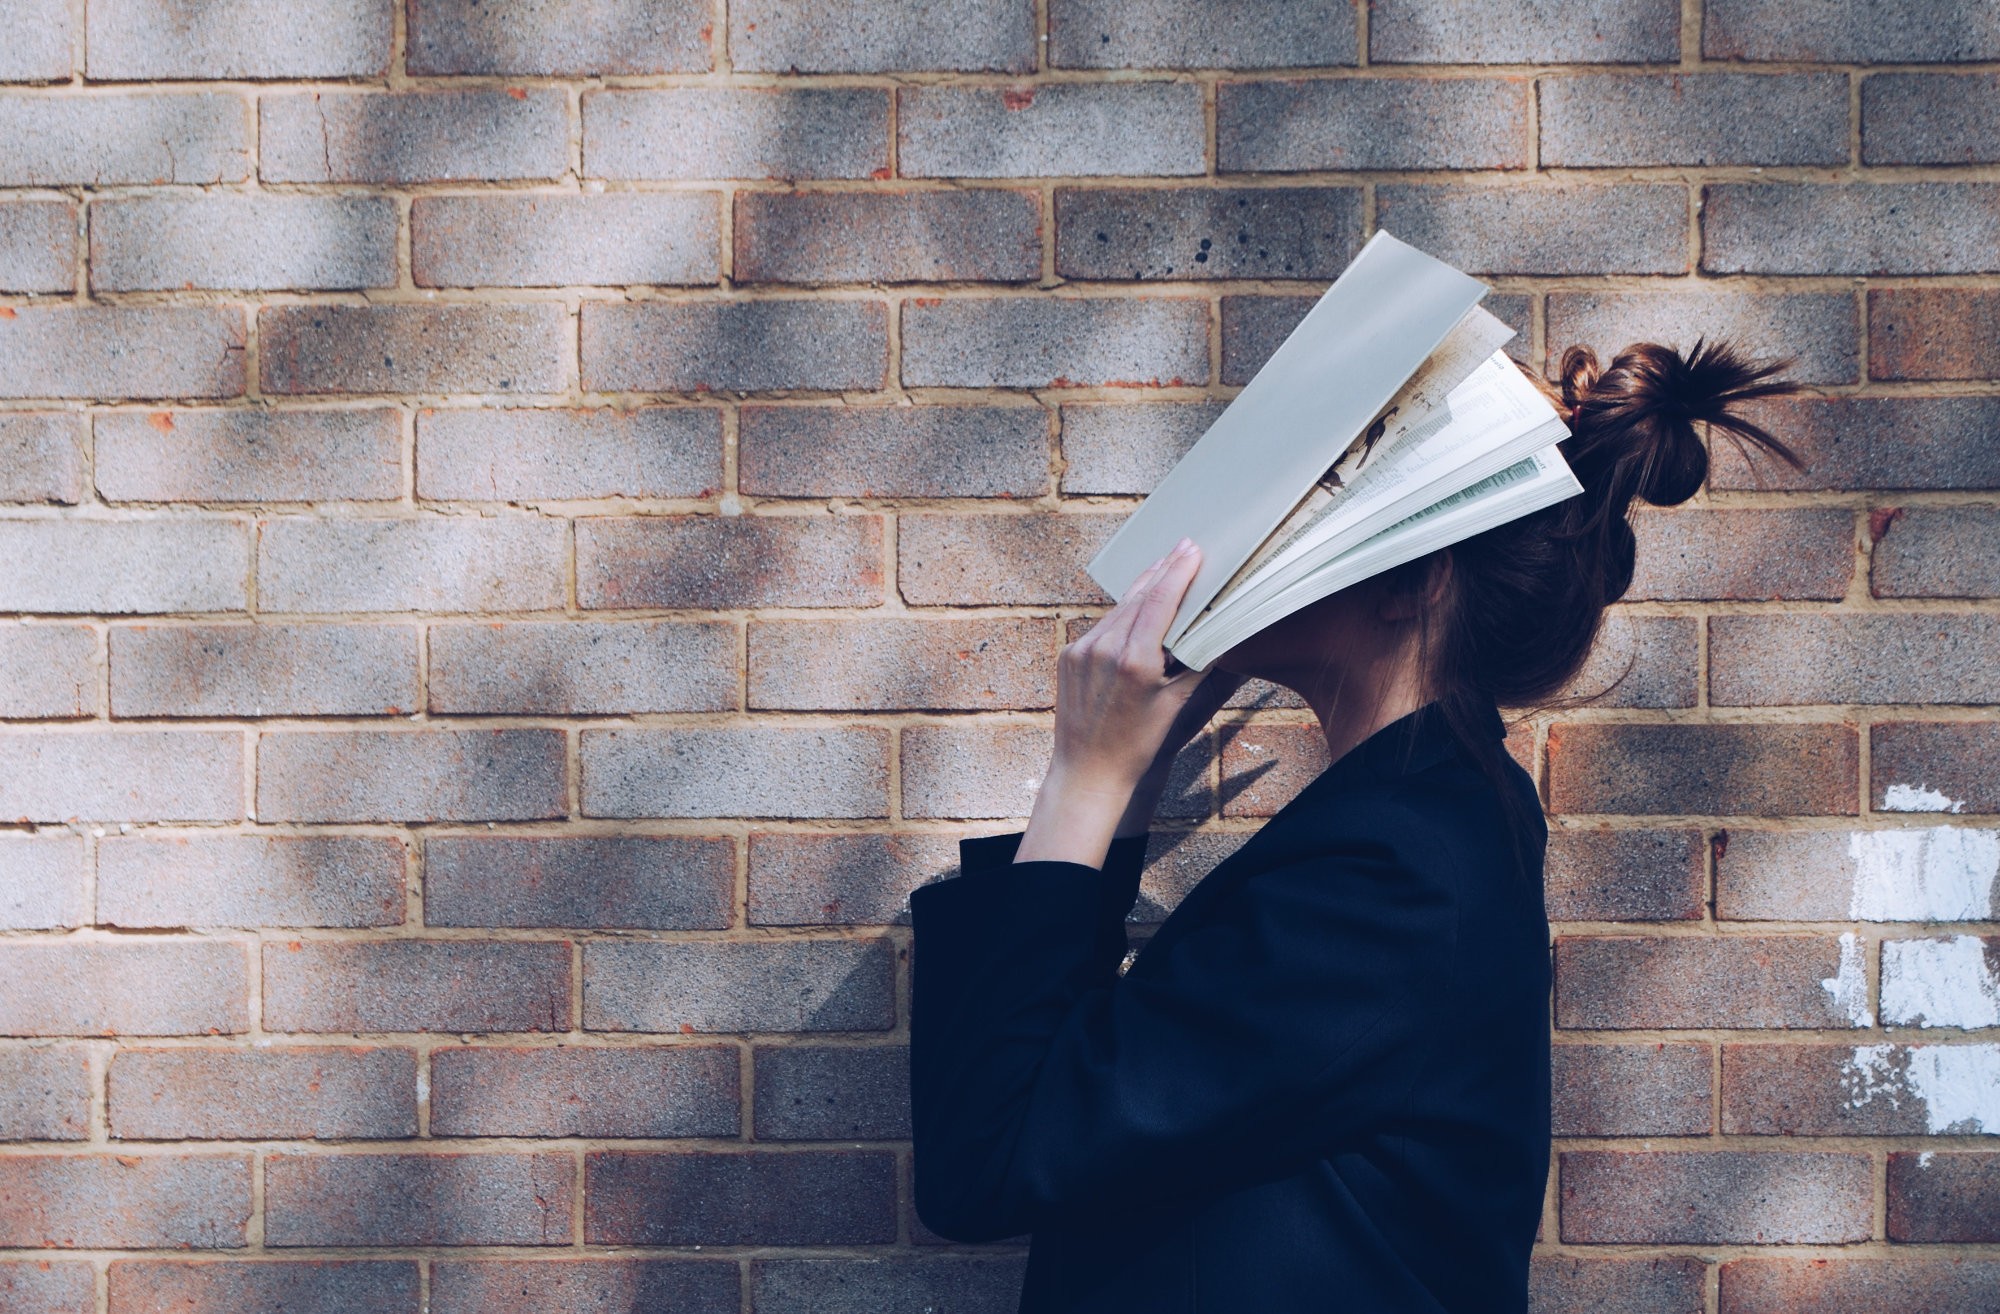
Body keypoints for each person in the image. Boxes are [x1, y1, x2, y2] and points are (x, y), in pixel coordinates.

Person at [907, 340, 1805, 1313]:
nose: (1259, 530)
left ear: (1407, 579)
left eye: (1317, 500)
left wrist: (1083, 777)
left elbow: (988, 1158)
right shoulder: (1421, 824)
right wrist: (1129, 773)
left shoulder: (1396, 871)